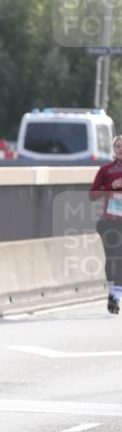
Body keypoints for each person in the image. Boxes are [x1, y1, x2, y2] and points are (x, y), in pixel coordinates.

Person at [89, 134, 122, 315]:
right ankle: (111, 293)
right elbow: (92, 195)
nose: (121, 149)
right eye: (118, 146)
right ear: (113, 149)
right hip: (109, 221)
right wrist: (111, 187)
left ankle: (117, 297)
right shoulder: (106, 170)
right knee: (111, 258)